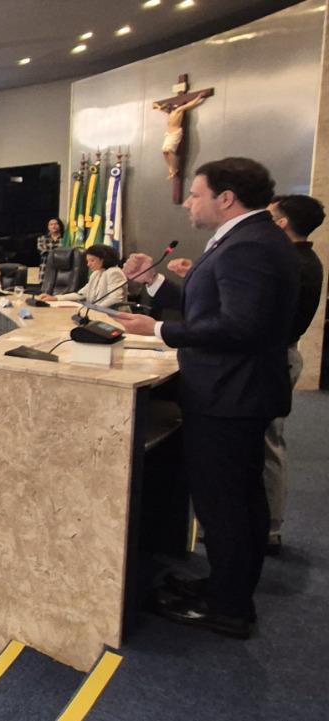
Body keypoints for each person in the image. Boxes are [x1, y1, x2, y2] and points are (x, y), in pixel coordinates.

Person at [114, 158, 301, 639]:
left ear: (226, 198)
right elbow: (216, 304)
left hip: (230, 394)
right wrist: (155, 285)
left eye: (195, 194)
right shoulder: (253, 239)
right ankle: (225, 585)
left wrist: (157, 329)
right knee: (234, 499)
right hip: (232, 390)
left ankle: (229, 607)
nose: (187, 202)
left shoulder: (248, 246)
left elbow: (240, 326)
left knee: (227, 503)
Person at [257, 194, 324, 552]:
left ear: (282, 223)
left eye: (269, 216)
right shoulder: (302, 258)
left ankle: (269, 528)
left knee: (268, 444)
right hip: (281, 355)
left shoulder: (293, 264)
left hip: (276, 359)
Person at [39, 245, 124, 304]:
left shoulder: (114, 272)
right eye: (87, 261)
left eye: (92, 260)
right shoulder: (96, 274)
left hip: (114, 316)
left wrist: (94, 309)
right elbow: (81, 295)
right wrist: (56, 298)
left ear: (103, 260)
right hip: (97, 313)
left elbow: (115, 299)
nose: (88, 264)